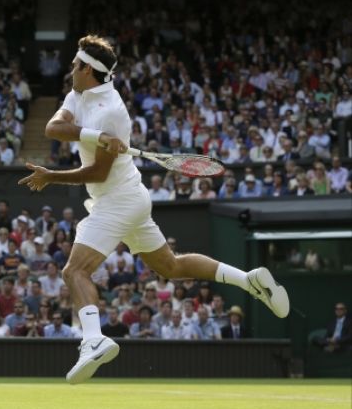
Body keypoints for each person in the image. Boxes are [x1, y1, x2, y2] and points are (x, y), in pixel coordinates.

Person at [18, 34, 289, 384]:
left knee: (74, 272)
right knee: (171, 266)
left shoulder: (113, 112)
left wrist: (52, 177)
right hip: (126, 197)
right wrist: (96, 138)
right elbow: (54, 128)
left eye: (75, 64)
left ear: (88, 69)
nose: (71, 68)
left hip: (117, 199)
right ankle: (248, 281)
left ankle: (93, 339)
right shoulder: (78, 94)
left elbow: (98, 171)